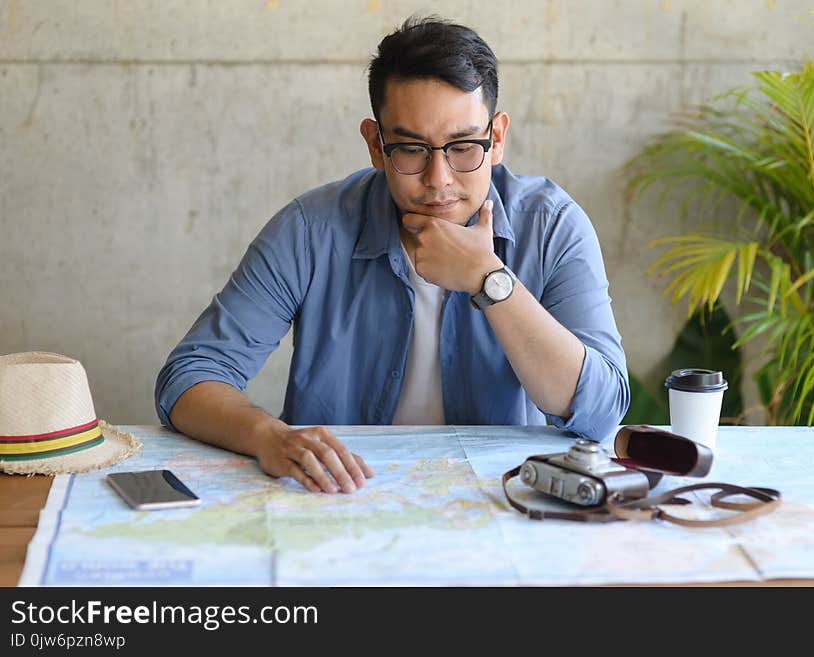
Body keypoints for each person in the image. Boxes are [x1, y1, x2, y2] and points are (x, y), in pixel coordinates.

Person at [155, 16, 630, 496]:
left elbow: (601, 409)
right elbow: (189, 378)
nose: (439, 178)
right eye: (410, 149)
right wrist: (267, 436)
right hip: (339, 501)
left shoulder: (550, 225)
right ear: (375, 145)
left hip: (498, 503)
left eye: (464, 147)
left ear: (498, 138)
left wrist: (490, 281)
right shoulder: (310, 230)